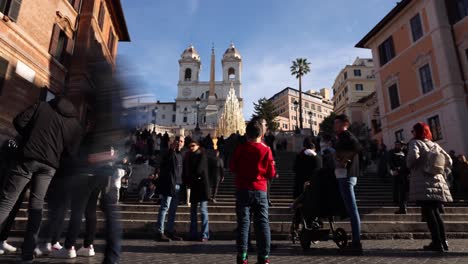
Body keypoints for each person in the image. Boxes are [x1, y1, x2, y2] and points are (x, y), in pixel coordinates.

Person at [0, 97, 81, 262]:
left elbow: (19, 121)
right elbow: (72, 151)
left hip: (27, 158)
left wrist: (31, 136)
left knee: (7, 202)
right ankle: (28, 254)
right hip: (49, 166)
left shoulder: (42, 106)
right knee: (36, 207)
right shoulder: (73, 123)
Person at [230, 120, 277, 264]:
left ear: (246, 134)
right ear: (261, 134)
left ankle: (242, 257)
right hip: (261, 189)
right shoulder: (266, 149)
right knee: (263, 223)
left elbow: (232, 167)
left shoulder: (241, 148)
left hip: (243, 188)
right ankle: (264, 258)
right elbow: (271, 172)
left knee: (243, 224)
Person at [407, 122, 452, 252]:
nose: (412, 133)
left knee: (428, 213)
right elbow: (449, 160)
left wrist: (415, 164)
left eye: (413, 131)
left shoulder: (415, 143)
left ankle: (437, 243)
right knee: (436, 213)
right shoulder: (435, 144)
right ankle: (444, 242)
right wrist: (438, 168)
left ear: (417, 132)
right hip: (437, 182)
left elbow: (411, 160)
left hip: (423, 182)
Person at [333, 114, 362, 254]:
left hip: (346, 174)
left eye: (337, 123)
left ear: (345, 123)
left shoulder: (347, 136)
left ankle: (357, 242)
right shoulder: (342, 136)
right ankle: (356, 240)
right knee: (351, 208)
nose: (334, 125)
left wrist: (345, 160)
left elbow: (357, 147)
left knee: (352, 209)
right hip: (344, 175)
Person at [155, 136, 185, 242]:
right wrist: (171, 149)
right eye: (178, 141)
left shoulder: (181, 155)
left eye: (181, 141)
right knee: (165, 207)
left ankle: (170, 231)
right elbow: (164, 163)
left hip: (178, 184)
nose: (179, 143)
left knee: (173, 210)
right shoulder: (169, 153)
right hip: (169, 184)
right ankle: (160, 232)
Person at [184, 141, 211, 241]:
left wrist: (190, 178)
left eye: (193, 145)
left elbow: (199, 170)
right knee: (193, 211)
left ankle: (205, 234)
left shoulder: (202, 156)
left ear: (198, 146)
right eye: (189, 146)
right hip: (194, 186)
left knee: (203, 210)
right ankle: (193, 233)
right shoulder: (188, 157)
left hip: (202, 187)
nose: (191, 147)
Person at [389, 141, 410, 214]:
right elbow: (390, 161)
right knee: (397, 188)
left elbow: (408, 162)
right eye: (396, 144)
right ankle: (397, 202)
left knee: (404, 190)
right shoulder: (392, 152)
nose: (398, 146)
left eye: (400, 145)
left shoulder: (405, 152)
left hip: (404, 173)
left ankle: (403, 205)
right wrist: (394, 169)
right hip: (396, 173)